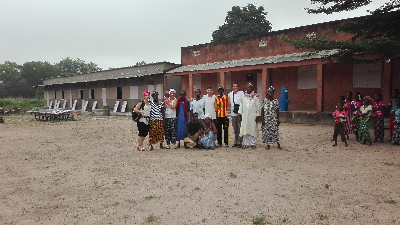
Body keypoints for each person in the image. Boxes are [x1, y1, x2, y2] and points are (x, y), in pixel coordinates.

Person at [238, 83, 260, 149]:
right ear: (246, 88)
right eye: (247, 87)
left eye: (250, 87)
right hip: (245, 116)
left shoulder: (255, 97)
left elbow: (258, 107)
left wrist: (257, 116)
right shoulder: (243, 97)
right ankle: (246, 144)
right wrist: (240, 115)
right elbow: (241, 106)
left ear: (252, 88)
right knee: (245, 129)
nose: (248, 89)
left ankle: (253, 144)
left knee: (253, 129)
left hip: (253, 116)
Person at [228, 82, 244, 148]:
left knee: (240, 127)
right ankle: (236, 141)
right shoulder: (230, 94)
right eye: (234, 86)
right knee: (235, 128)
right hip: (233, 113)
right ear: (232, 87)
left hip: (240, 113)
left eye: (236, 86)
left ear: (238, 87)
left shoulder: (242, 93)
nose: (235, 87)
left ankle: (239, 142)